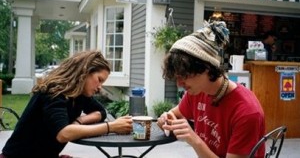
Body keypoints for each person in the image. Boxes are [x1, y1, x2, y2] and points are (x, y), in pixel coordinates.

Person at [157, 20, 265, 158]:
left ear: (206, 68)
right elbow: (174, 115)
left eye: (184, 76)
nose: (179, 84)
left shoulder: (247, 112)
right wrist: (166, 119)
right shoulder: (196, 91)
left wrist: (195, 140)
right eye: (177, 77)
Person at [1, 50, 133, 158]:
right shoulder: (54, 91)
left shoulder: (79, 94)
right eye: (99, 80)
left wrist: (79, 121)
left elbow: (101, 112)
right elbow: (63, 134)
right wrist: (111, 127)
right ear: (85, 72)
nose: (99, 87)